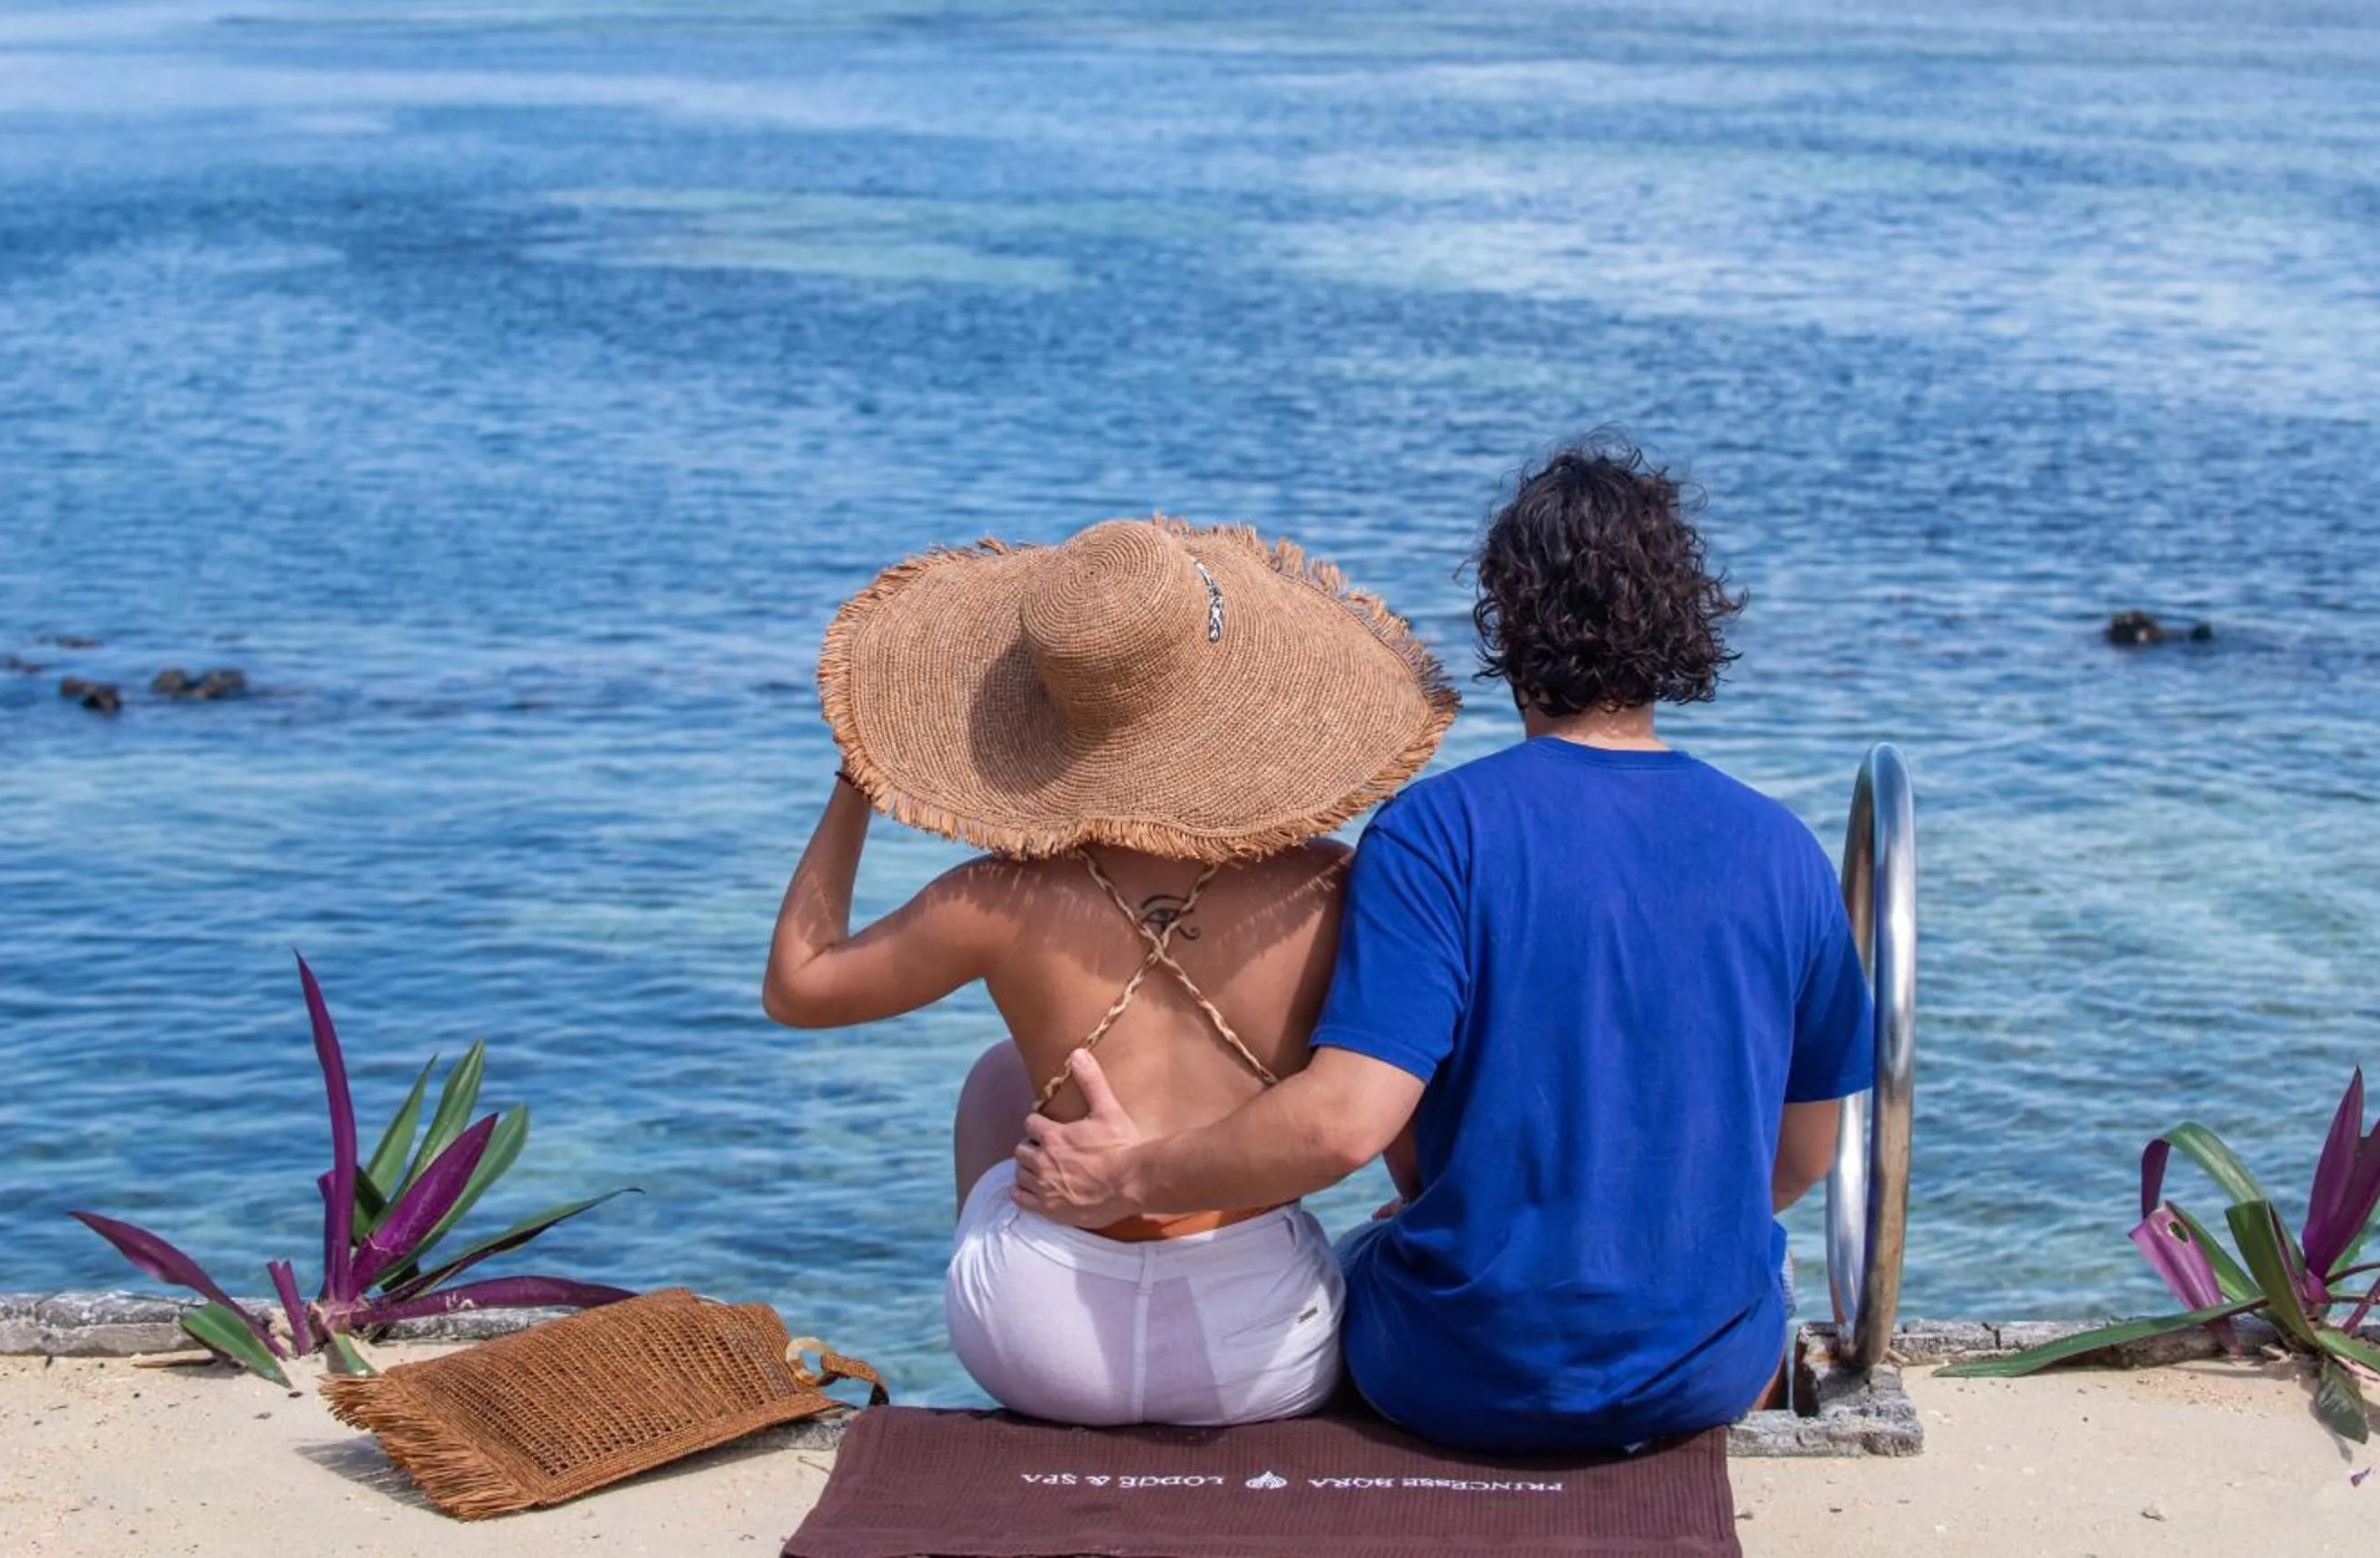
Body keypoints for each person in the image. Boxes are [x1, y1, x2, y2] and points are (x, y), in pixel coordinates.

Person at [1015, 443, 1876, 1452]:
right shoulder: (1783, 849)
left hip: (1461, 1368)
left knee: (1350, 1257)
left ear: (1508, 622)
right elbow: (1801, 1154)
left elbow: (1345, 1124)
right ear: (1681, 621)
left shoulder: (1438, 832)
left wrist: (1131, 1176)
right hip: (1705, 1369)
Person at [764, 516, 1457, 1427]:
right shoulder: (1328, 884)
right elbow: (1389, 1104)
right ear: (1235, 693)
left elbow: (799, 986)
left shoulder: (998, 896)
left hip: (1038, 1344)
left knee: (998, 1075)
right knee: (1361, 1063)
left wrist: (859, 783)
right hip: (1258, 1352)